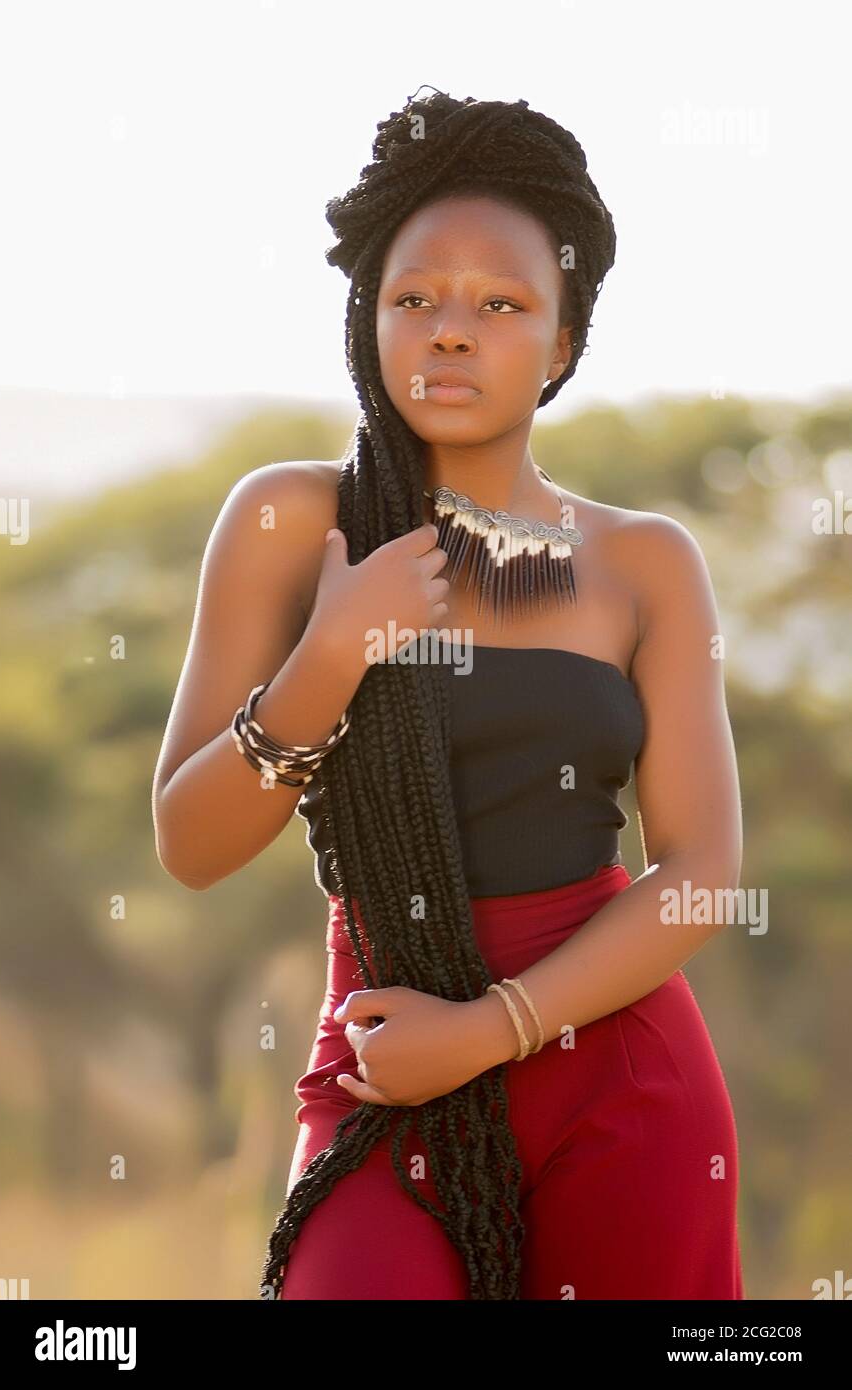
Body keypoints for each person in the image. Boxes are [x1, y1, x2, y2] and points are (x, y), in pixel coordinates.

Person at [152, 88, 745, 1301]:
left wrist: (492, 1028)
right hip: (380, 1055)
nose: (451, 332)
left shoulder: (643, 562)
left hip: (613, 1061)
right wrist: (333, 652)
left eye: (503, 304)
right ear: (367, 322)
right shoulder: (291, 521)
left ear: (565, 342)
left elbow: (701, 871)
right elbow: (189, 843)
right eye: (414, 298)